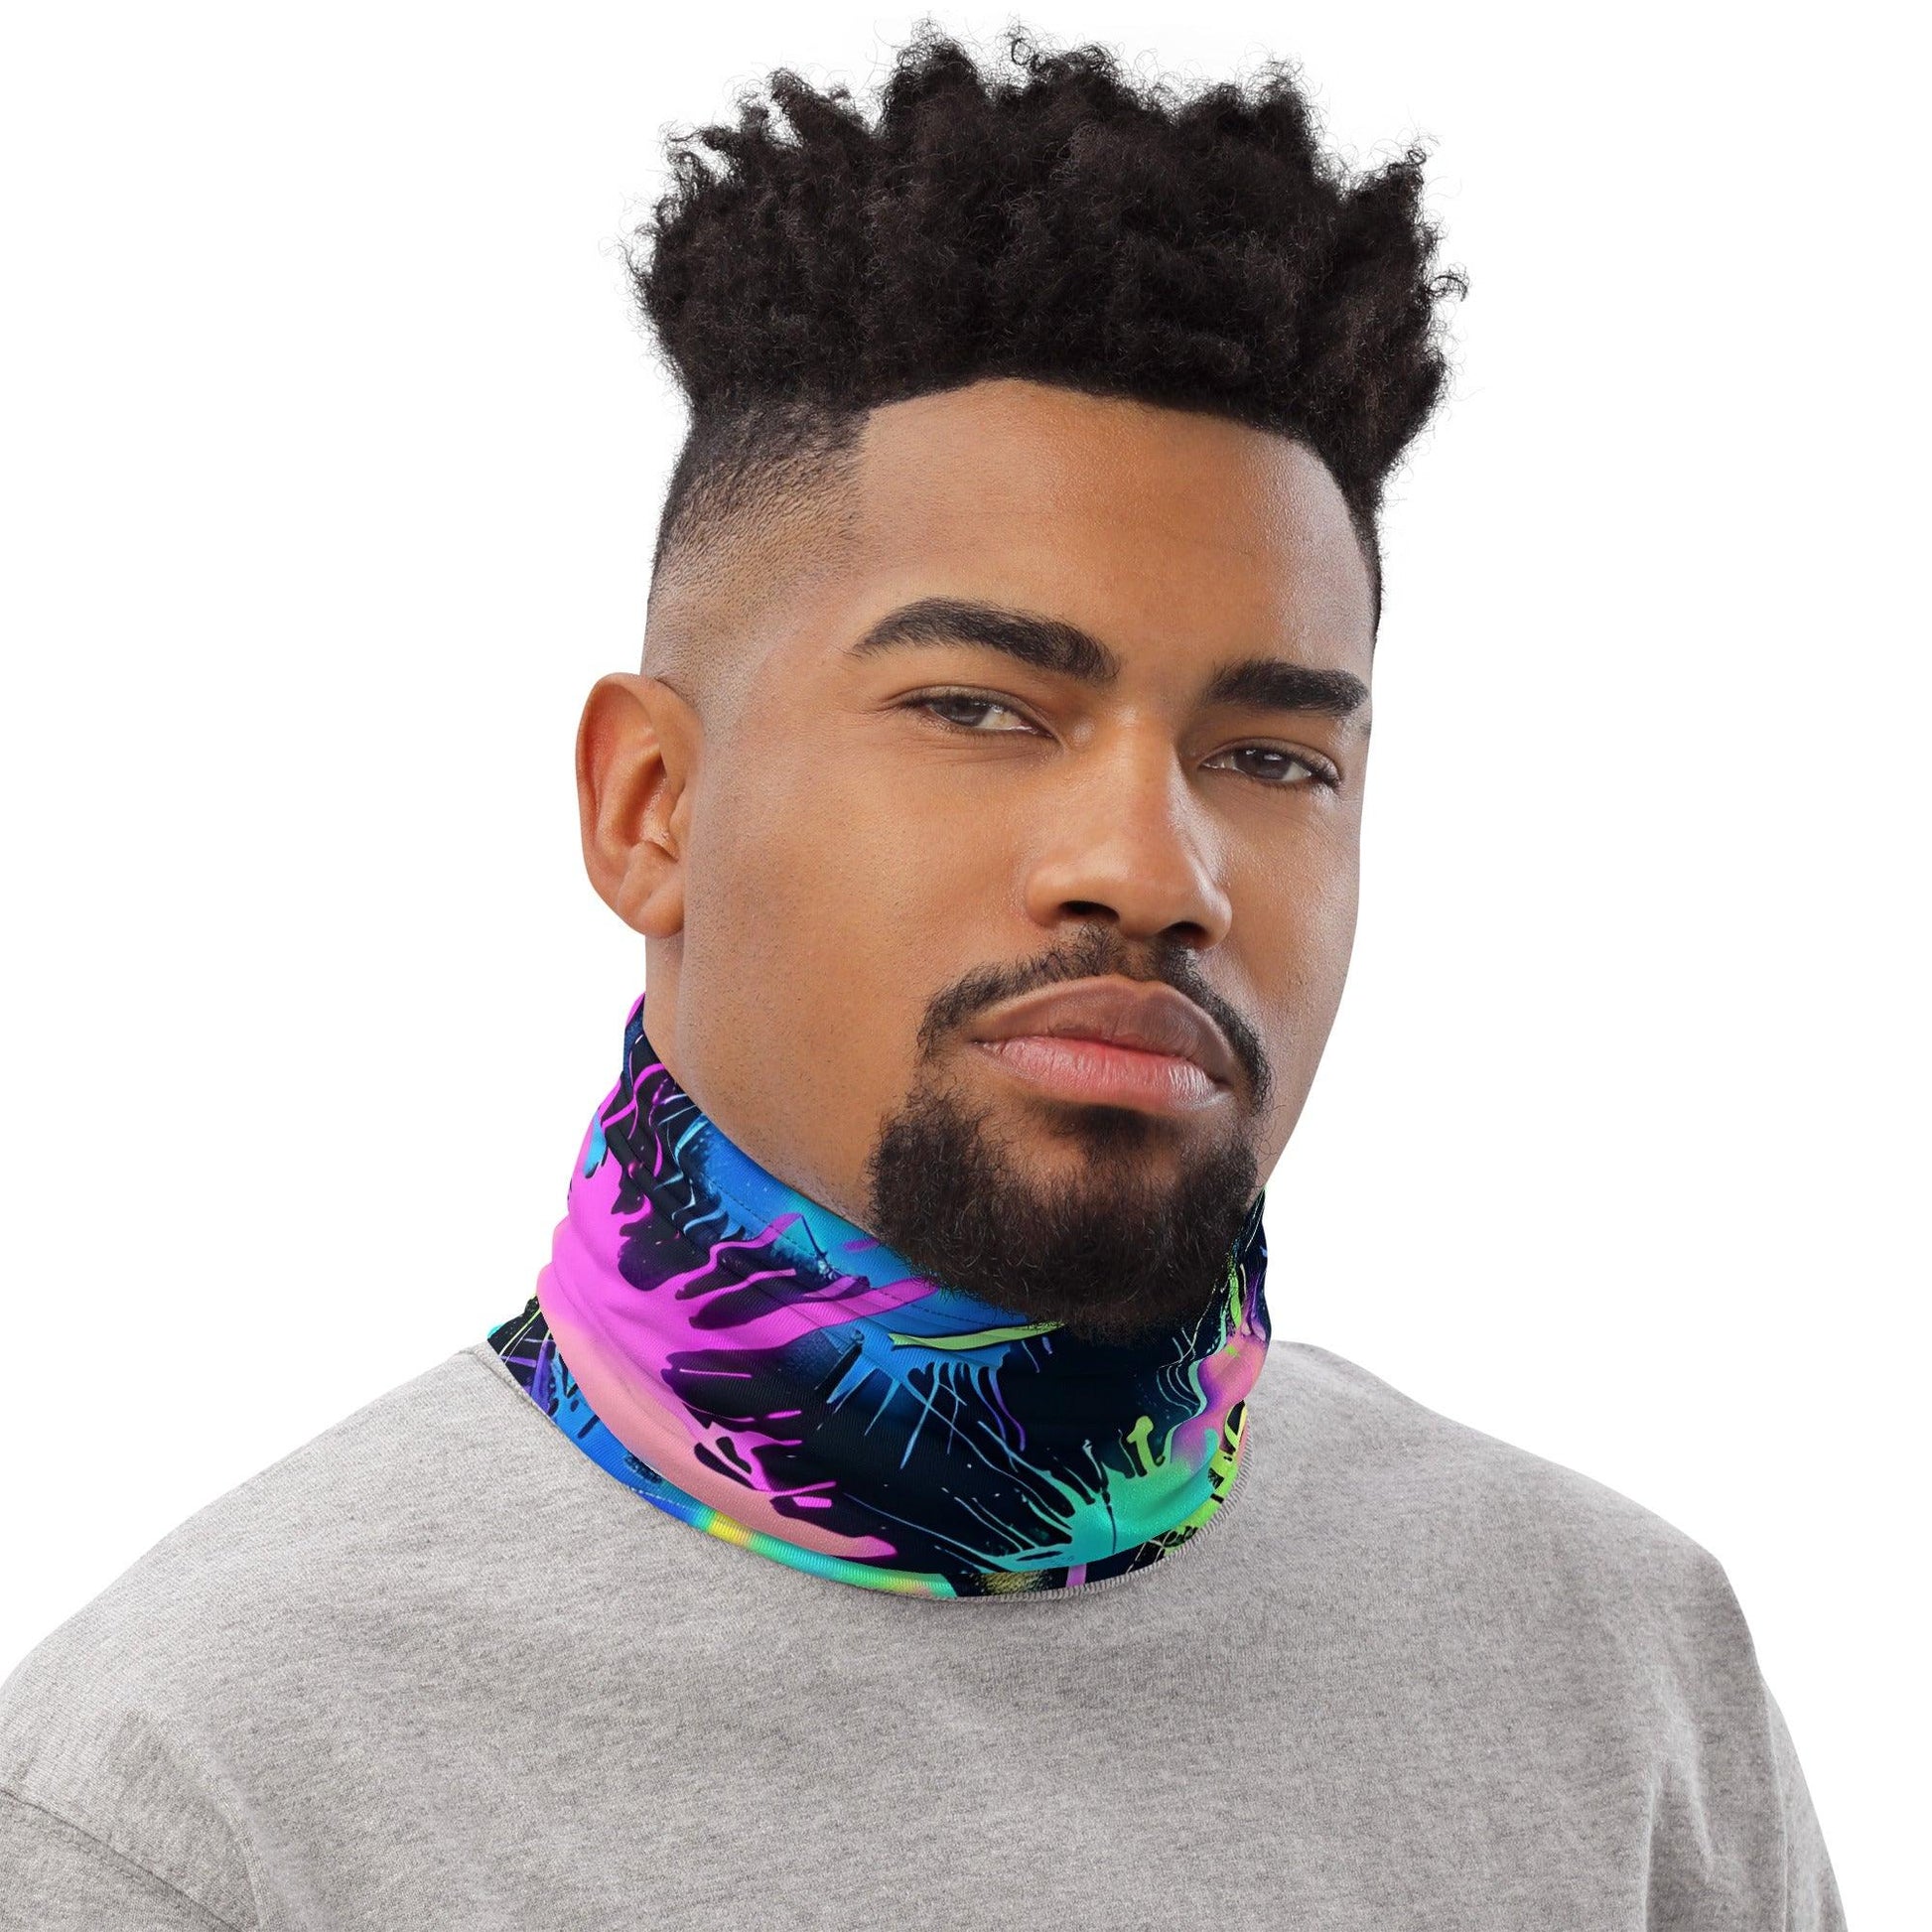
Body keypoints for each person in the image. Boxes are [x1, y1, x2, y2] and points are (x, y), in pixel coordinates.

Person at [0, 26, 1845, 1928]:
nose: (1155, 868)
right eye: (979, 707)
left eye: (1271, 755)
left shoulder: (1618, 1676)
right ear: (649, 807)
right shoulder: (195, 1797)